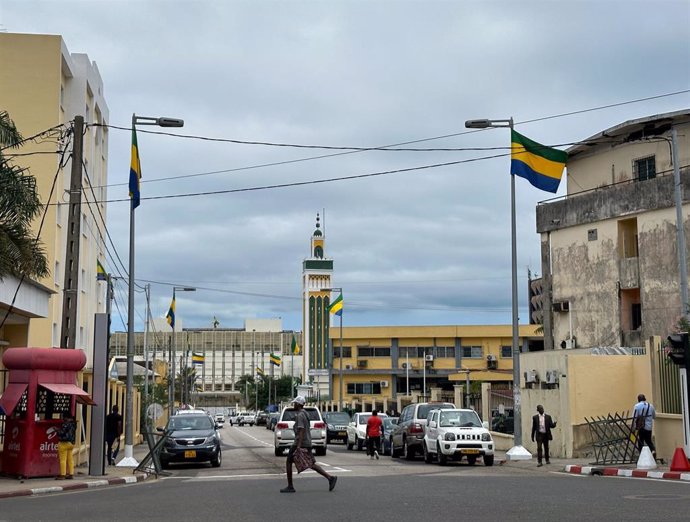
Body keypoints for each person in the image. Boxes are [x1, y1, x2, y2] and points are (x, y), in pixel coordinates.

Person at [281, 396, 337, 493]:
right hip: (307, 442)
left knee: (289, 461)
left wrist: (298, 446)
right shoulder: (305, 414)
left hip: (300, 443)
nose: (293, 405)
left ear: (298, 404)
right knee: (311, 463)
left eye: (295, 403)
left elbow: (301, 430)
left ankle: (290, 486)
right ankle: (330, 478)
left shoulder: (300, 415)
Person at [633, 393, 657, 460]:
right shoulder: (650, 406)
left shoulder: (637, 406)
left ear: (638, 400)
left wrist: (634, 427)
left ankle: (642, 456)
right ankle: (653, 451)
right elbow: (654, 416)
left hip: (641, 427)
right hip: (649, 427)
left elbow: (634, 418)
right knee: (649, 441)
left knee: (641, 441)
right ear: (645, 399)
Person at [57, 412, 76, 480]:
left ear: (66, 418)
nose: (63, 418)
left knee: (63, 460)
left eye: (63, 417)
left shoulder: (65, 424)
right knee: (70, 459)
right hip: (71, 444)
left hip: (64, 443)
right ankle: (71, 474)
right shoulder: (73, 424)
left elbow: (62, 432)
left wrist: (57, 430)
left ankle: (63, 475)